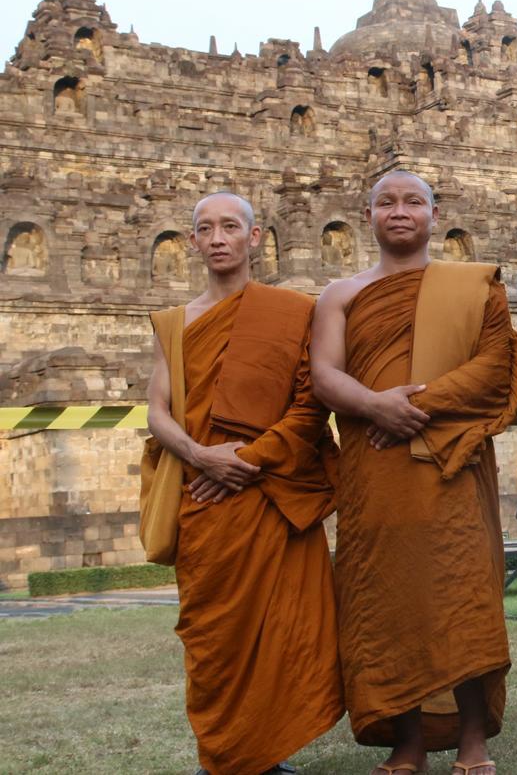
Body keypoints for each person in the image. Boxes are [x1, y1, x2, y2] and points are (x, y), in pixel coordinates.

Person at [312, 171, 517, 775]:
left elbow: (495, 366)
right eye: (386, 202)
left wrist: (411, 406)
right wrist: (374, 405)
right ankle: (408, 742)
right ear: (367, 213)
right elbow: (325, 375)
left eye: (412, 202)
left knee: (465, 594)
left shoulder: (471, 286)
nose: (399, 212)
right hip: (374, 467)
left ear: (435, 213)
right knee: (387, 597)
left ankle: (473, 740)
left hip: (452, 460)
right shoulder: (341, 294)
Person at [144, 192, 343, 775]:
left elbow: (311, 405)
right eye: (205, 229)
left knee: (285, 633)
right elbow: (158, 409)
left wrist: (248, 459)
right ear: (193, 242)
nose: (218, 238)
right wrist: (201, 456)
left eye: (231, 226)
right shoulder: (175, 324)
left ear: (255, 238)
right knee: (214, 635)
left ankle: (266, 752)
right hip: (203, 499)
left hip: (271, 494)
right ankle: (223, 756)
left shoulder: (293, 311)